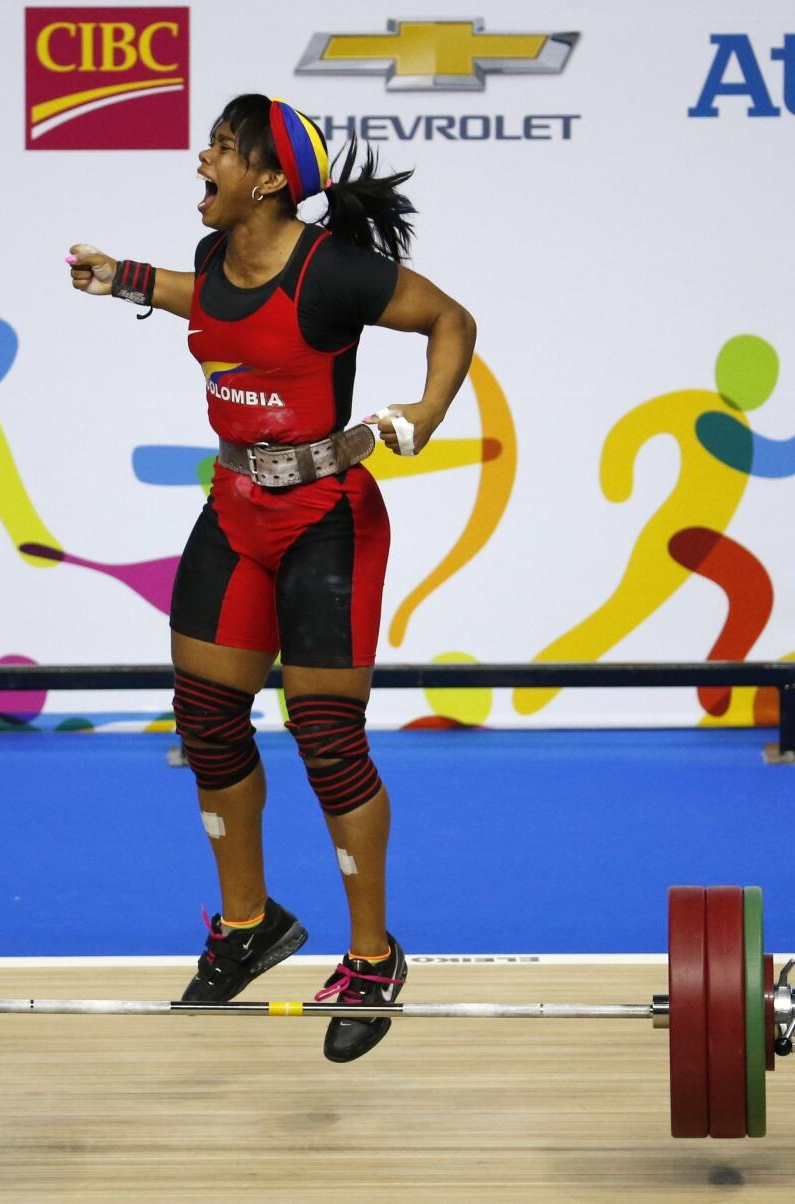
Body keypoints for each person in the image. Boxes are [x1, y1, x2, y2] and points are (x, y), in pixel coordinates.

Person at [67, 94, 476, 1062]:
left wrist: (426, 407)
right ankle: (249, 924)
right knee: (207, 717)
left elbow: (451, 319)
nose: (199, 159)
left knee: (326, 737)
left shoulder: (333, 272)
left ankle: (372, 957)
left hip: (327, 519)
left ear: (267, 180)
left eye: (219, 147)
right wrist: (121, 277)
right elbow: (206, 300)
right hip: (236, 512)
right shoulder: (216, 258)